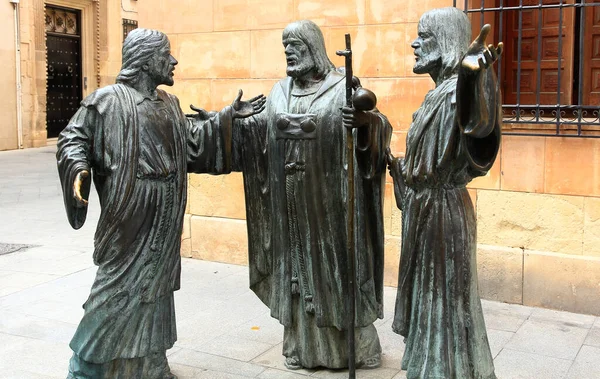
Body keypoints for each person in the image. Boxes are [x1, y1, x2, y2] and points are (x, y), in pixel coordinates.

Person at [56, 28, 265, 379]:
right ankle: (88, 365)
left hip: (166, 208)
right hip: (131, 208)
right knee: (117, 287)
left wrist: (226, 119)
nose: (173, 61)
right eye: (165, 54)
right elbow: (73, 138)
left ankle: (149, 362)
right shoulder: (106, 101)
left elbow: (193, 144)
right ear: (145, 58)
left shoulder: (170, 104)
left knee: (156, 286)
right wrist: (78, 168)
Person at [231, 20, 392, 370]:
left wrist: (364, 125)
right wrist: (239, 123)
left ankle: (355, 348)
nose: (289, 52)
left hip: (331, 202)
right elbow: (261, 133)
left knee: (336, 271)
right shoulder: (278, 92)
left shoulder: (342, 87)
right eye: (285, 46)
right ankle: (301, 348)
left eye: (296, 45)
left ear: (314, 48)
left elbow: (377, 129)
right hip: (289, 203)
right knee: (296, 274)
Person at [387, 7, 503, 379]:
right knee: (429, 301)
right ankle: (429, 368)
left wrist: (472, 80)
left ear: (449, 43)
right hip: (425, 210)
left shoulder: (458, 92)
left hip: (443, 215)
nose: (415, 43)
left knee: (446, 303)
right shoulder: (434, 96)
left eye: (426, 36)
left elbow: (478, 125)